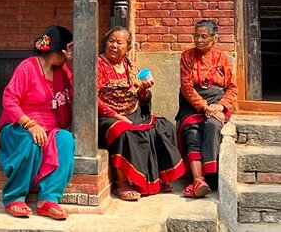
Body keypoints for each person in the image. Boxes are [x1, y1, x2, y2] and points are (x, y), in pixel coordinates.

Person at [0, 25, 75, 221]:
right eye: (69, 50)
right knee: (30, 141)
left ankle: (48, 199)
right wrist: (30, 125)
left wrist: (73, 64)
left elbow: (77, 94)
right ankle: (14, 197)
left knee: (65, 140)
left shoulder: (63, 71)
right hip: (19, 127)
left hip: (51, 129)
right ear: (59, 51)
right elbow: (9, 99)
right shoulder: (28, 67)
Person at [97, 27, 185, 201]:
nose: (114, 45)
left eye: (119, 42)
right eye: (111, 41)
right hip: (107, 116)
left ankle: (156, 178)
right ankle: (122, 183)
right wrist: (116, 115)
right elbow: (91, 97)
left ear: (128, 47)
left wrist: (144, 89)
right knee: (124, 132)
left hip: (133, 112)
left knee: (163, 127)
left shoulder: (129, 65)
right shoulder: (98, 65)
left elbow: (140, 95)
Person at [176, 19, 237, 198]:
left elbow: (232, 87)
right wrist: (204, 107)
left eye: (204, 36)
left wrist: (220, 106)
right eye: (196, 36)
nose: (199, 40)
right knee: (191, 132)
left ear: (214, 39)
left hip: (217, 103)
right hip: (193, 105)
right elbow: (186, 87)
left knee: (212, 126)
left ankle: (210, 175)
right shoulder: (187, 56)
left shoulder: (222, 58)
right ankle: (198, 180)